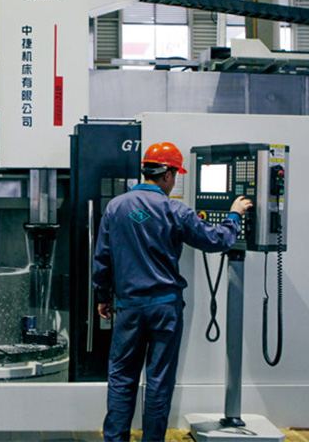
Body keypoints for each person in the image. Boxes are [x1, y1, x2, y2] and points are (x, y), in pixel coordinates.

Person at [92, 141, 253, 442]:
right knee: (159, 382)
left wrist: (102, 296)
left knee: (122, 378)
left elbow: (102, 258)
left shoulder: (116, 207)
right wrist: (234, 215)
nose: (175, 180)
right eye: (176, 174)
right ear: (167, 174)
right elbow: (216, 240)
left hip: (129, 307)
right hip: (165, 309)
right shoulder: (175, 210)